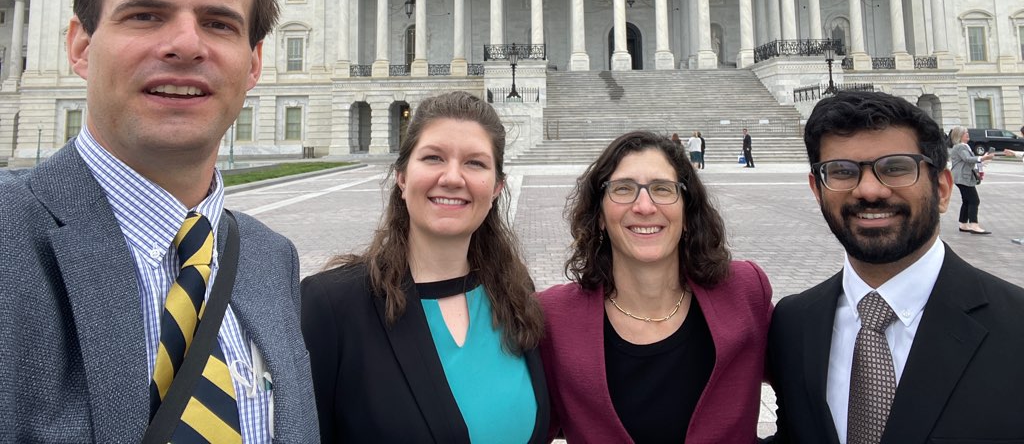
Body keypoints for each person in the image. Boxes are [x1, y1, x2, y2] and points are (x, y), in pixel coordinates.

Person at [0, 0, 318, 441]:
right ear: (80, 46)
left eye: (219, 23)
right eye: (146, 16)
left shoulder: (270, 258)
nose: (186, 45)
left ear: (254, 64)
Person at [767, 91, 1024, 443]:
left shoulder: (1016, 325)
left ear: (943, 189)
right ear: (817, 190)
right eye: (842, 171)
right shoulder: (794, 322)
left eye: (896, 168)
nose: (869, 190)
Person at [301, 90, 549, 443]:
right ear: (402, 177)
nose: (452, 178)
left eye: (475, 163)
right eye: (433, 158)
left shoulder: (513, 292)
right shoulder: (331, 305)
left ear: (496, 187)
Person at [539, 131, 772, 443]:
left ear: (687, 213)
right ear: (600, 218)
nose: (644, 206)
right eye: (623, 189)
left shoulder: (744, 292)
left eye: (663, 189)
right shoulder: (553, 317)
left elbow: (809, 393)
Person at [948, 125, 998, 235]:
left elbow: (969, 161)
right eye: (966, 133)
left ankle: (963, 224)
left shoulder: (964, 146)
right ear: (960, 135)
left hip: (962, 176)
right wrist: (983, 158)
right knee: (974, 200)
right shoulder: (960, 146)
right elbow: (967, 159)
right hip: (962, 177)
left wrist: (983, 160)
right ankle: (974, 225)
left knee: (966, 200)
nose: (968, 134)